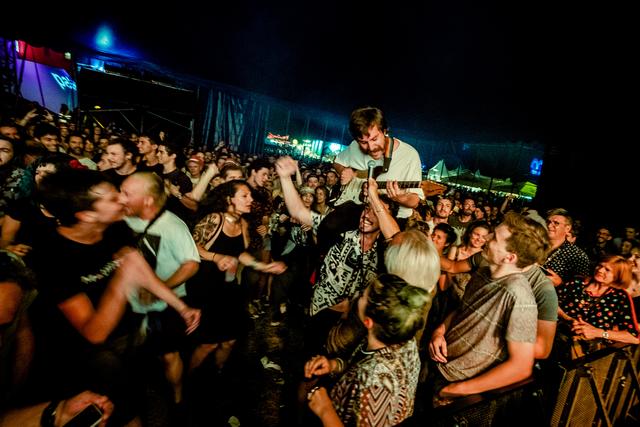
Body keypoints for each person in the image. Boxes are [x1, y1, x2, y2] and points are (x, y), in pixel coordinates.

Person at [27, 169, 200, 424]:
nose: (122, 199)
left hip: (125, 336)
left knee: (131, 400)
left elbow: (136, 265)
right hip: (81, 356)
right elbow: (93, 333)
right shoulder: (53, 256)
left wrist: (181, 306)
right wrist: (121, 280)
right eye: (112, 198)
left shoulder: (115, 227)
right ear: (86, 215)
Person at [428, 212, 548, 399]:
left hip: (459, 384)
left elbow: (521, 367)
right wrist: (440, 332)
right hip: (439, 365)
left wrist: (455, 390)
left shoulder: (519, 297)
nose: (487, 237)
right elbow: (462, 310)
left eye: (494, 237)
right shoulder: (483, 272)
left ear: (509, 258)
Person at [304, 274, 429, 427]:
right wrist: (334, 365)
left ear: (368, 322)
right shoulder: (396, 337)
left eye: (362, 294)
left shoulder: (376, 387)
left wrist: (325, 410)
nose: (358, 295)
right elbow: (361, 362)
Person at [188, 180, 286, 373]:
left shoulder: (243, 224)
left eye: (250, 196)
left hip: (229, 290)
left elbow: (240, 253)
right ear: (229, 199)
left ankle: (217, 373)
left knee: (229, 342)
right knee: (208, 344)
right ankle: (189, 378)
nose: (250, 200)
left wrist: (264, 267)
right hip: (207, 289)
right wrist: (216, 257)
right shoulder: (215, 220)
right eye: (244, 196)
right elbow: (192, 247)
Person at [120, 172, 200, 405]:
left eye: (127, 193)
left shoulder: (173, 225)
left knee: (168, 355)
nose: (120, 198)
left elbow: (191, 264)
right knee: (131, 354)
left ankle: (177, 399)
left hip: (166, 304)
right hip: (129, 301)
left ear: (148, 200)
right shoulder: (122, 220)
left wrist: (159, 288)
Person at [333, 106, 423, 222]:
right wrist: (345, 172)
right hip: (359, 213)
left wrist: (399, 197)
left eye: (375, 139)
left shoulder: (409, 155)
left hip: (393, 220)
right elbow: (337, 162)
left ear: (384, 131)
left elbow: (415, 201)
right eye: (363, 142)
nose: (371, 147)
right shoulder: (354, 146)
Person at [557, 255, 639, 349]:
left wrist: (598, 332)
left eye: (607, 270)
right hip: (556, 334)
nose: (600, 270)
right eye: (600, 266)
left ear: (618, 276)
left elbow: (634, 337)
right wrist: (567, 318)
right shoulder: (577, 282)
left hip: (586, 349)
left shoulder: (620, 297)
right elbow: (551, 302)